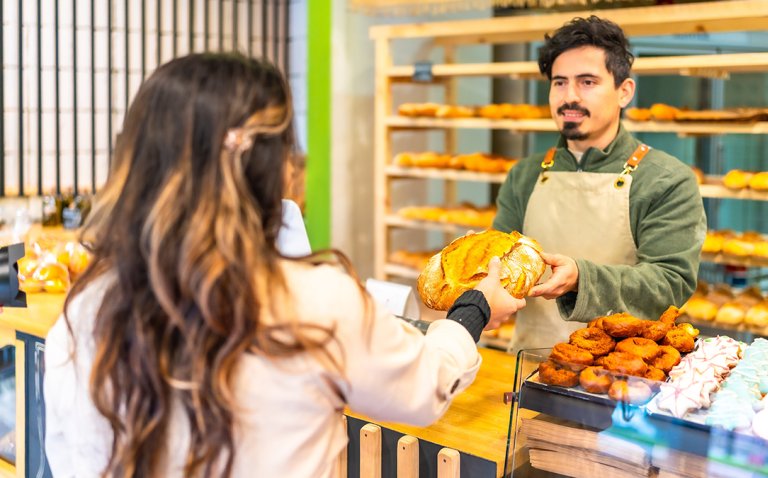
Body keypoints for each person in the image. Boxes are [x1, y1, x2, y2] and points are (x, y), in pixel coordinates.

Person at [43, 53, 525, 477]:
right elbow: (425, 387)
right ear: (267, 164)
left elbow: (67, 453)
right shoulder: (313, 301)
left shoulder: (87, 305)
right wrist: (475, 309)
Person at [493, 16, 706, 351]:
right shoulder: (525, 175)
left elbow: (669, 285)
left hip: (626, 378)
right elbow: (502, 265)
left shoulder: (666, 179)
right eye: (559, 83)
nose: (569, 97)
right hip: (528, 370)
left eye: (587, 82)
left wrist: (582, 277)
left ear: (624, 92)